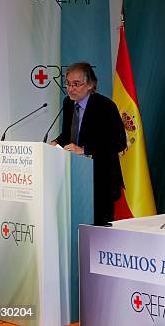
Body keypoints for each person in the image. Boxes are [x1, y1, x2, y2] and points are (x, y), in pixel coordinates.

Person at [52, 62, 126, 225]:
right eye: (68, 84)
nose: (71, 89)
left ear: (91, 85)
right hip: (75, 179)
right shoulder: (68, 103)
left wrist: (85, 149)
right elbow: (70, 134)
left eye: (76, 84)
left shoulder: (105, 106)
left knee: (99, 232)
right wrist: (56, 142)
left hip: (101, 181)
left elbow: (119, 142)